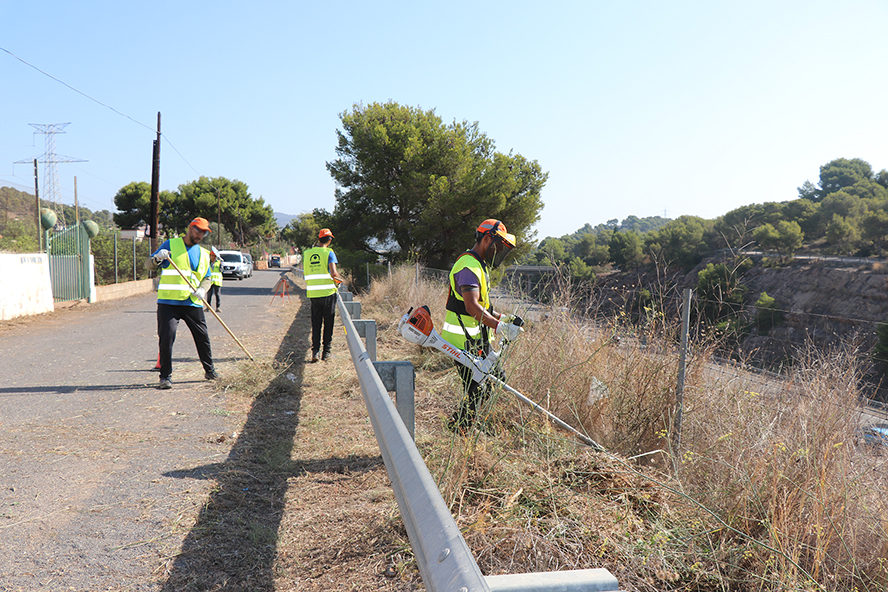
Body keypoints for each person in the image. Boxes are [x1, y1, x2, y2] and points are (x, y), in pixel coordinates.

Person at [441, 219, 522, 430]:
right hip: (462, 342)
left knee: (494, 380)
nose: (500, 253)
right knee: (477, 388)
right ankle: (460, 430)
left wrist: (503, 318)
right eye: (499, 247)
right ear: (487, 239)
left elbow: (483, 306)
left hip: (477, 340)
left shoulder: (478, 265)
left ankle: (460, 425)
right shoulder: (468, 266)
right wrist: (498, 326)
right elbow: (471, 306)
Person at [146, 217, 218, 389]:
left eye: (204, 232)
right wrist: (157, 258)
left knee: (202, 338)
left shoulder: (203, 253)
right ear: (190, 228)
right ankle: (165, 377)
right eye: (198, 230)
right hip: (168, 303)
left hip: (192, 303)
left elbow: (207, 278)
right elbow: (148, 265)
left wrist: (203, 290)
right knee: (167, 338)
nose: (200, 235)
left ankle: (210, 371)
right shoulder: (170, 245)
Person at [303, 228, 343, 362]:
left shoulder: (308, 253)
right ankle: (326, 353)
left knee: (316, 323)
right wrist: (339, 279)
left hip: (313, 294)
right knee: (328, 323)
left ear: (319, 239)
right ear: (329, 240)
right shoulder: (329, 253)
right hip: (328, 293)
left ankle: (315, 352)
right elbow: (333, 273)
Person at [206, 248, 222, 312]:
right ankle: (208, 307)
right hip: (210, 281)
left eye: (214, 256)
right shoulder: (208, 263)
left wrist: (222, 263)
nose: (213, 257)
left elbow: (222, 270)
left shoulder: (219, 262)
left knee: (217, 295)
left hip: (217, 282)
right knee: (209, 295)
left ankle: (218, 307)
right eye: (212, 256)